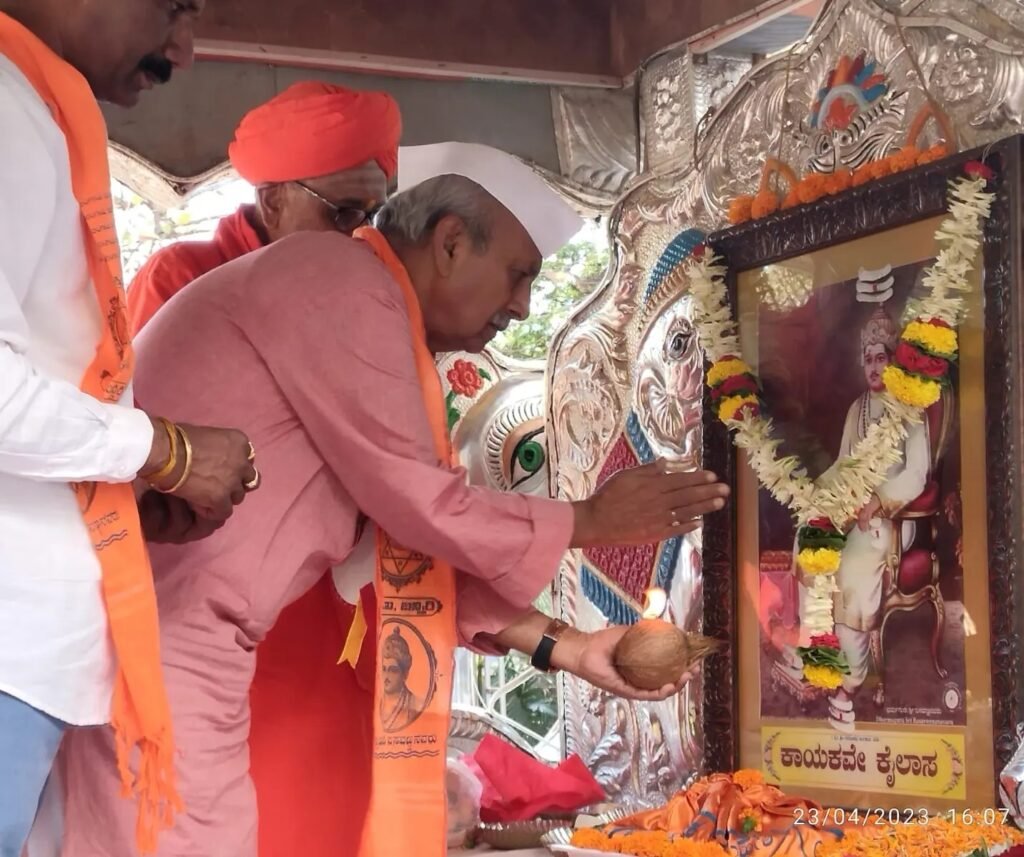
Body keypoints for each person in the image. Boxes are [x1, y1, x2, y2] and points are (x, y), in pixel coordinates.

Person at [61, 142, 731, 857]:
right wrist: (591, 520)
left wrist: (568, 646)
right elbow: (422, 508)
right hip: (162, 636)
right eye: (518, 274)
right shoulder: (343, 283)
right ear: (448, 243)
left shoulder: (366, 301)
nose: (522, 305)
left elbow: (406, 549)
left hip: (186, 639)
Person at [0, 0, 258, 854]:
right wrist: (162, 448)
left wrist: (129, 492)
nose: (183, 49)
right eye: (174, 4)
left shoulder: (34, 110)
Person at [126, 80, 401, 334]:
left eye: (373, 216)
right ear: (273, 203)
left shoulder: (362, 284)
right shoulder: (181, 276)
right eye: (344, 214)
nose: (362, 236)